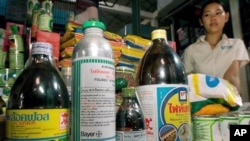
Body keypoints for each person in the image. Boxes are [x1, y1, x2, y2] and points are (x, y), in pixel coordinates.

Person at [183, 0, 250, 93]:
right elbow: (188, 82)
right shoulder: (190, 50)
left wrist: (231, 101)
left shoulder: (236, 45)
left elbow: (232, 77)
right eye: (207, 15)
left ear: (226, 17)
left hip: (229, 101)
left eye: (218, 13)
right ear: (201, 21)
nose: (213, 18)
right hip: (203, 105)